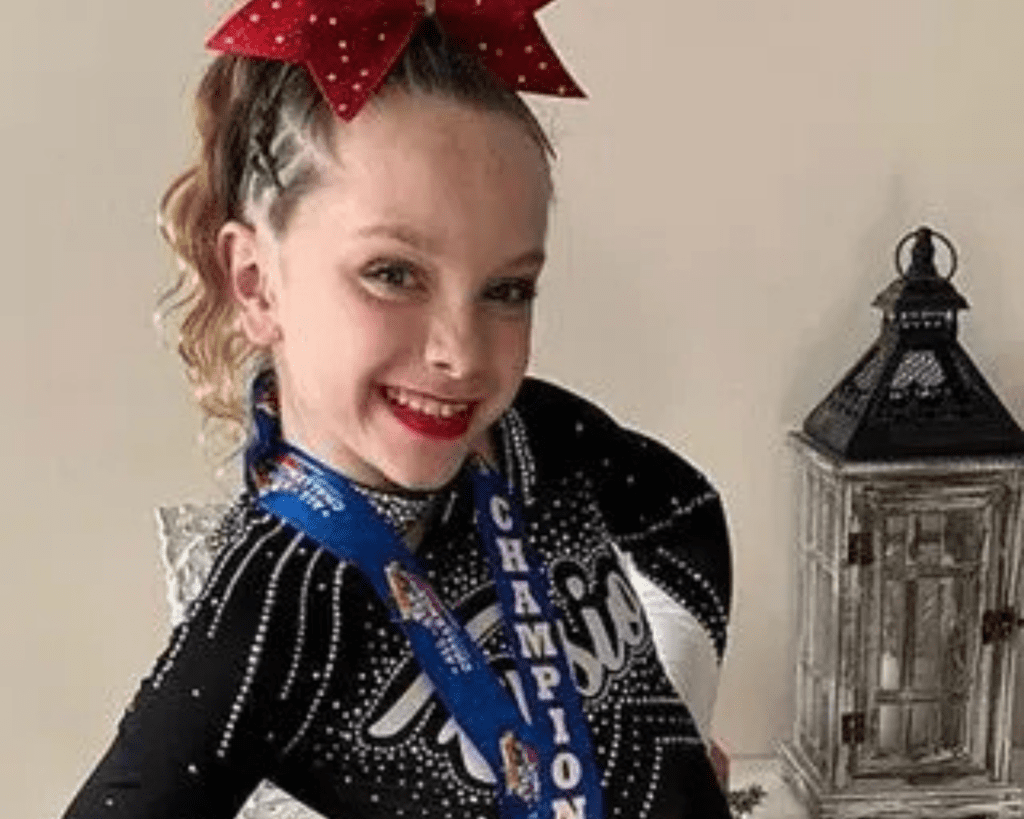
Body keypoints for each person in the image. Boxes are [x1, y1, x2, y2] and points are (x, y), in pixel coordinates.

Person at [63, 2, 733, 817]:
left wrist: (679, 726)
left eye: (506, 289)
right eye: (393, 273)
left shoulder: (532, 433)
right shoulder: (273, 608)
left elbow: (686, 510)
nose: (461, 352)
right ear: (256, 283)